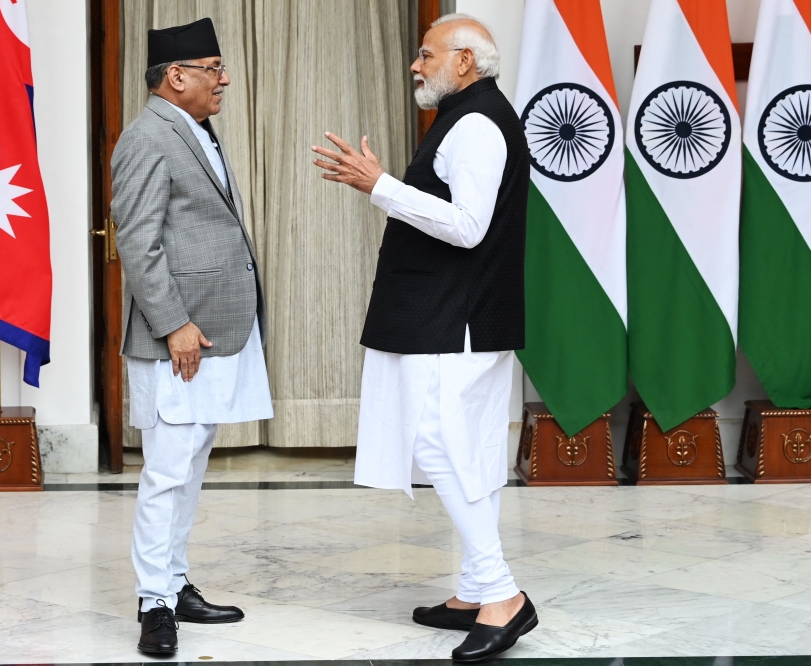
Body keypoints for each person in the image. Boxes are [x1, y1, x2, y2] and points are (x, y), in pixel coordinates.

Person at [312, 13, 536, 663]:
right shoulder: (470, 116)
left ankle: (501, 594)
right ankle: (473, 589)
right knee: (468, 450)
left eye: (427, 54)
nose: (416, 64)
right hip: (458, 316)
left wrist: (378, 185)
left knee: (438, 442)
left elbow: (469, 226)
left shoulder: (475, 125)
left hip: (452, 320)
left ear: (466, 61)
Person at [111, 18, 272, 656]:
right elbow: (138, 242)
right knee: (167, 471)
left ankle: (175, 584)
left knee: (192, 465)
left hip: (213, 331)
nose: (224, 77)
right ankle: (154, 605)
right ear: (175, 77)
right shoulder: (147, 138)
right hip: (179, 334)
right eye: (213, 67)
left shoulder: (195, 128)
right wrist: (173, 323)